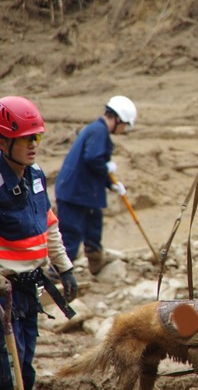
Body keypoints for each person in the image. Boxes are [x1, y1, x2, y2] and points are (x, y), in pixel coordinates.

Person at [0, 96, 78, 390]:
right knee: (7, 373)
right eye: (25, 139)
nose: (33, 144)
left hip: (27, 290)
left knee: (26, 365)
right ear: (3, 142)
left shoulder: (36, 175)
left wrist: (65, 268)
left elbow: (49, 224)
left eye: (37, 137)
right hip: (2, 291)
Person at [55, 95, 137, 275]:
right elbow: (93, 158)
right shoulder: (98, 131)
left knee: (94, 228)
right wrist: (106, 167)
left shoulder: (97, 131)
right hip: (75, 193)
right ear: (118, 119)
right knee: (70, 235)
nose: (123, 129)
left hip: (86, 194)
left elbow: (96, 162)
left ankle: (96, 263)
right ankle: (57, 275)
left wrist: (111, 184)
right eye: (124, 125)